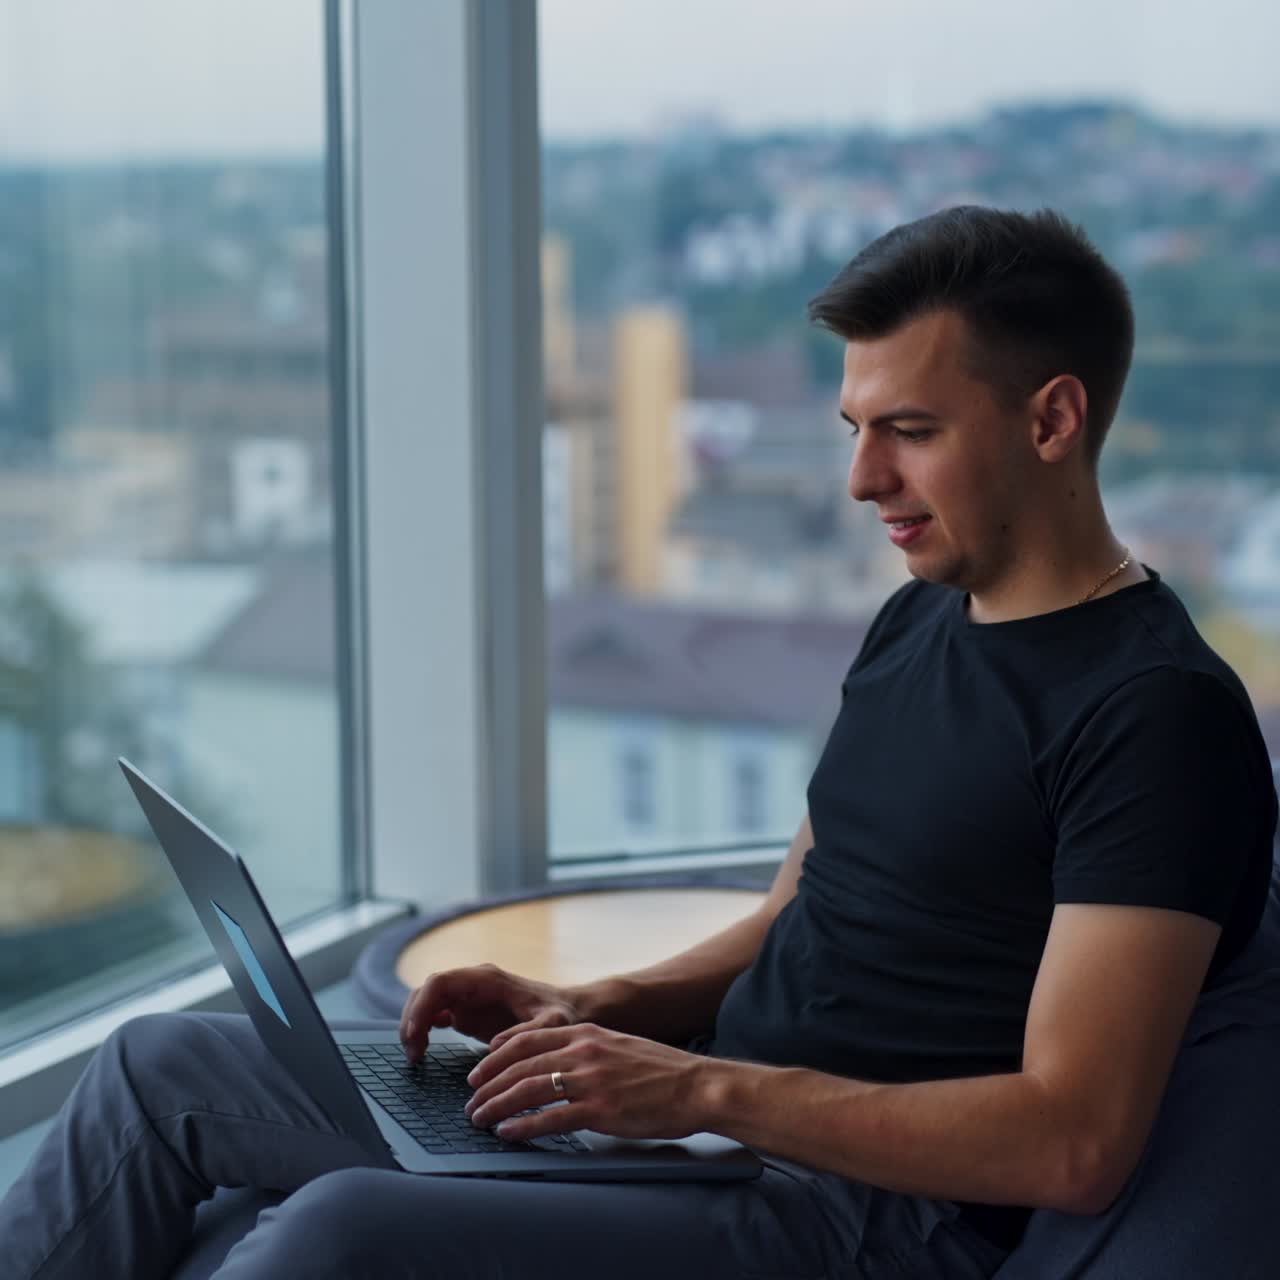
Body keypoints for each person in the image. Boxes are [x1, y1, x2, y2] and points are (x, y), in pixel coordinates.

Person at [3, 206, 1275, 1280]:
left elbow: (1073, 1140)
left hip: (861, 1209)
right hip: (709, 1120)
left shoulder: (1155, 714)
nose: (860, 479)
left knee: (337, 1233)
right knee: (150, 1062)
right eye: (853, 429)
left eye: (912, 431)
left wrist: (697, 1091)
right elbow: (794, 915)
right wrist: (598, 1009)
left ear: (1051, 419)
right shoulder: (915, 623)